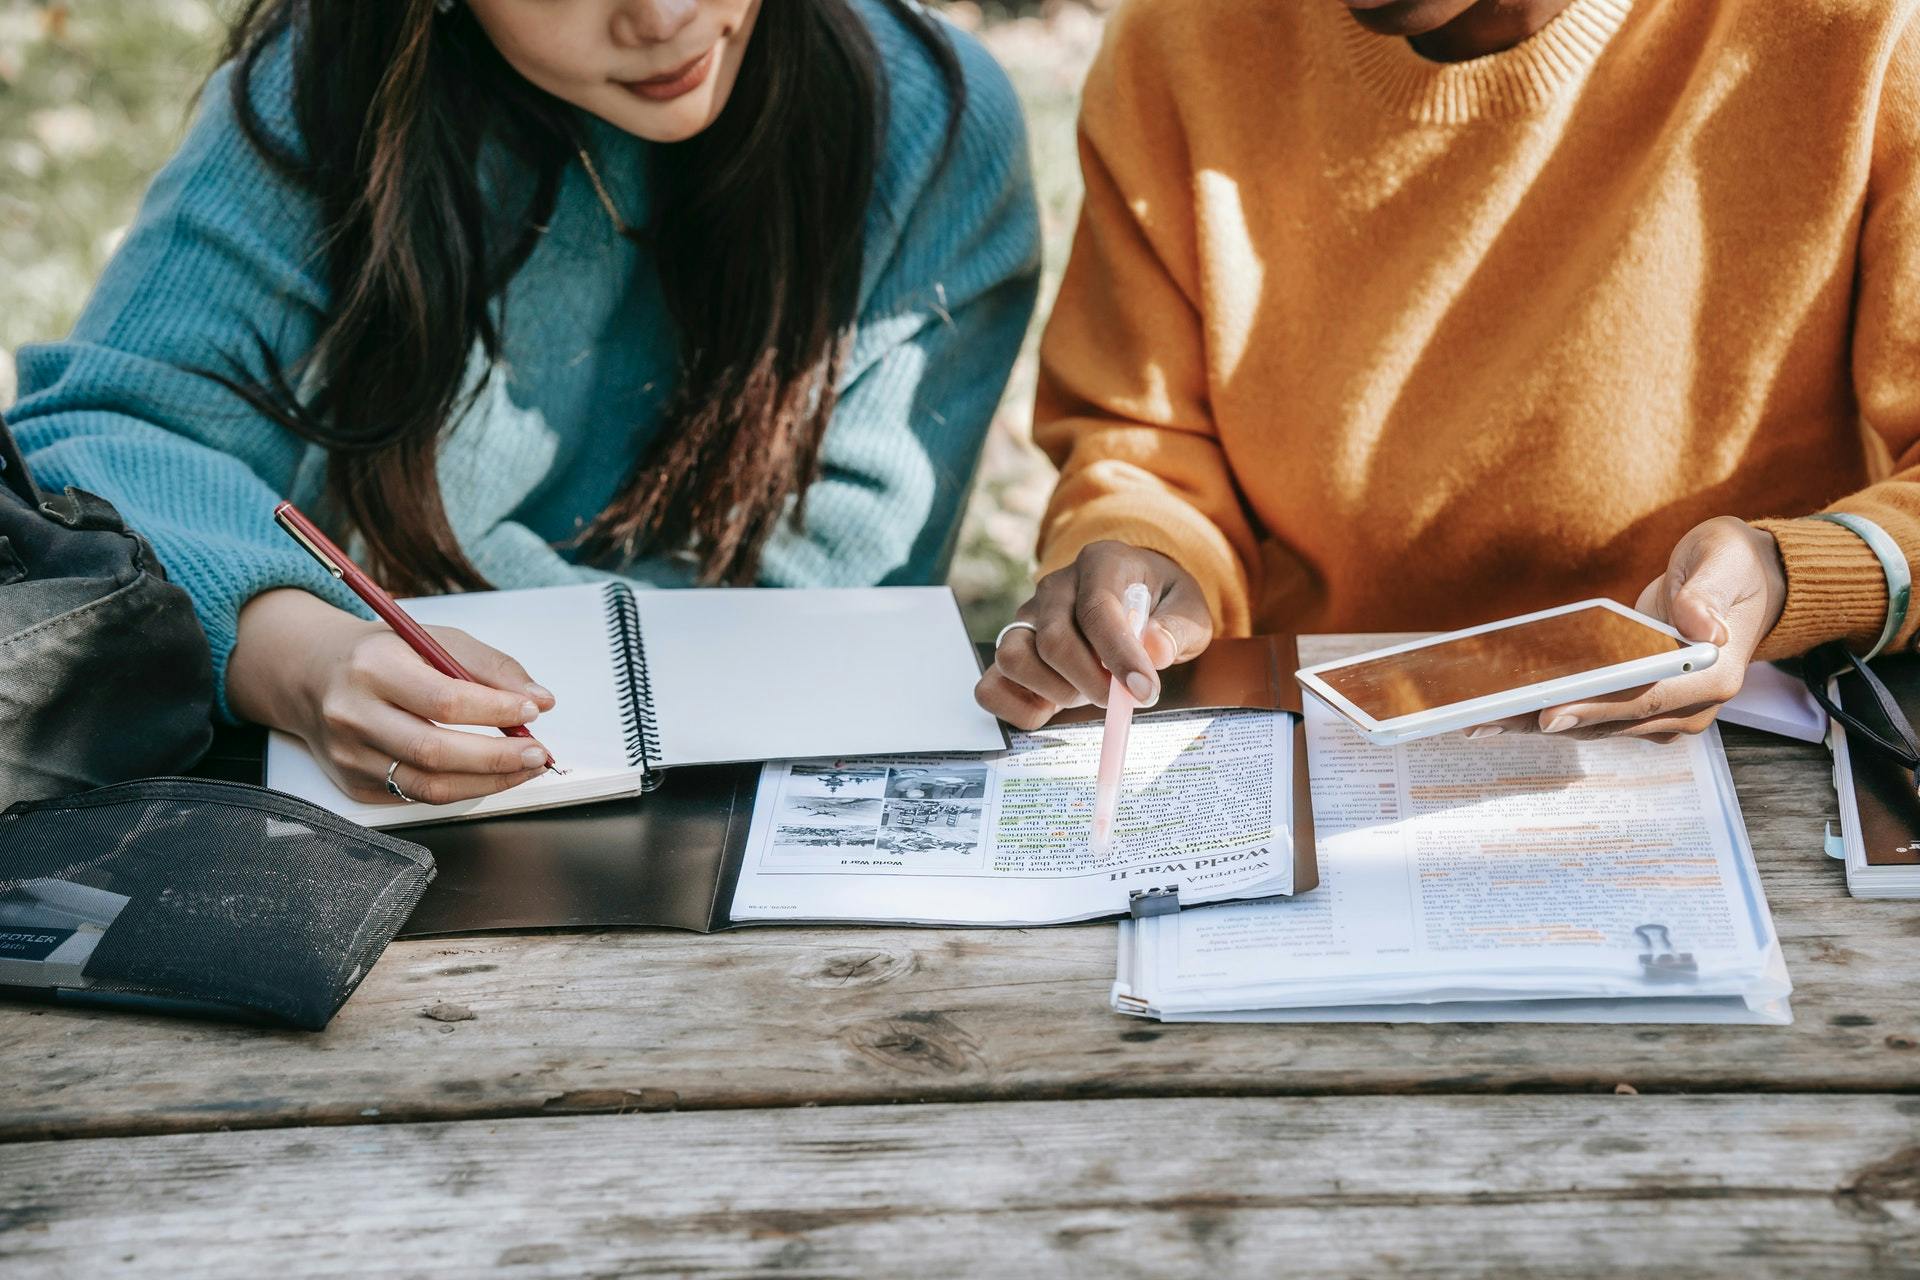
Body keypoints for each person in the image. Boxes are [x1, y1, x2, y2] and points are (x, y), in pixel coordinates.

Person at [11, 0, 1039, 805]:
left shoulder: (930, 123)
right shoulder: (333, 91)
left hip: (746, 817)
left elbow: (840, 606)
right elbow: (96, 442)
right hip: (355, 814)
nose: (663, 16)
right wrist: (304, 657)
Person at [976, 0, 1920, 743]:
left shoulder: (1858, 33)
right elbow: (1144, 441)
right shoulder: (1177, 45)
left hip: (1748, 749)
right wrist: (1145, 558)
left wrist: (1796, 577)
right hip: (1313, 739)